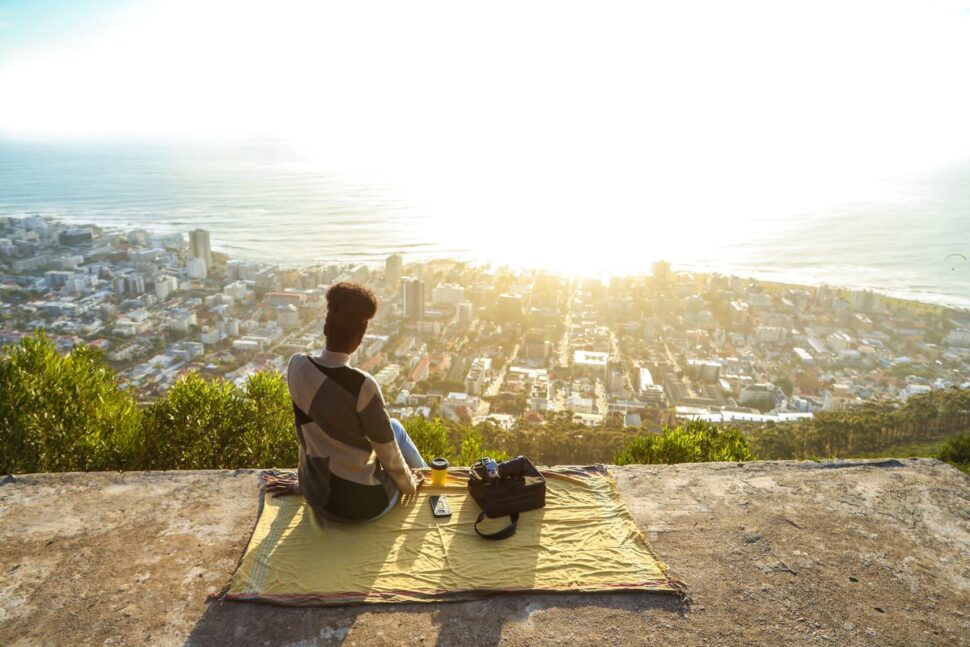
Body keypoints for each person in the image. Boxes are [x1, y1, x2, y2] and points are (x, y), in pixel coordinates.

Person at [266, 281, 427, 522]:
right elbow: (388, 453)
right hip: (364, 506)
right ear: (360, 338)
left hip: (319, 499)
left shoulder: (296, 366)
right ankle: (429, 480)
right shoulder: (363, 385)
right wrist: (409, 485)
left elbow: (306, 434)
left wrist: (303, 483)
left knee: (389, 427)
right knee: (394, 430)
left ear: (325, 328)